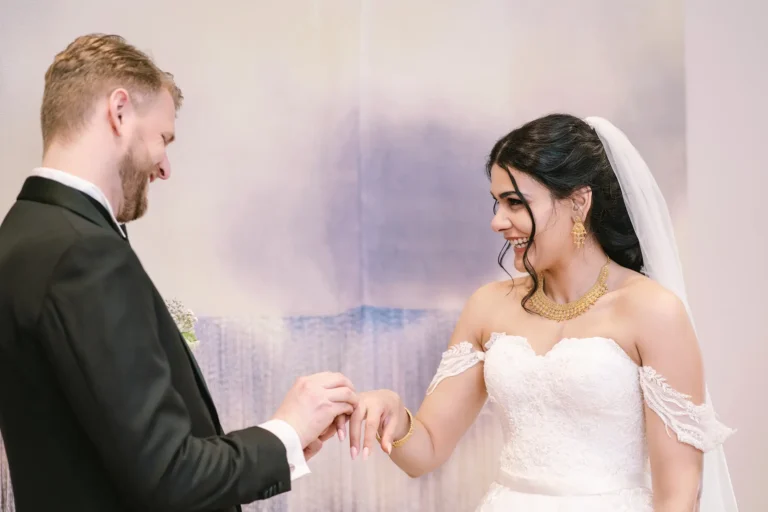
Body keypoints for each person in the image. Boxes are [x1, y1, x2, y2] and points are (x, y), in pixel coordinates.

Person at [0, 34, 355, 512]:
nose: (164, 167)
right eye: (163, 138)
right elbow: (169, 476)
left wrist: (280, 448)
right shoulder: (85, 255)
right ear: (119, 111)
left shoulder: (21, 235)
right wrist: (286, 432)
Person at [349, 114, 738, 511]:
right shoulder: (488, 305)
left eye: (515, 203)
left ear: (579, 202)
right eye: (497, 203)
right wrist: (392, 415)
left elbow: (679, 496)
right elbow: (426, 450)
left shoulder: (653, 311)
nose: (497, 222)